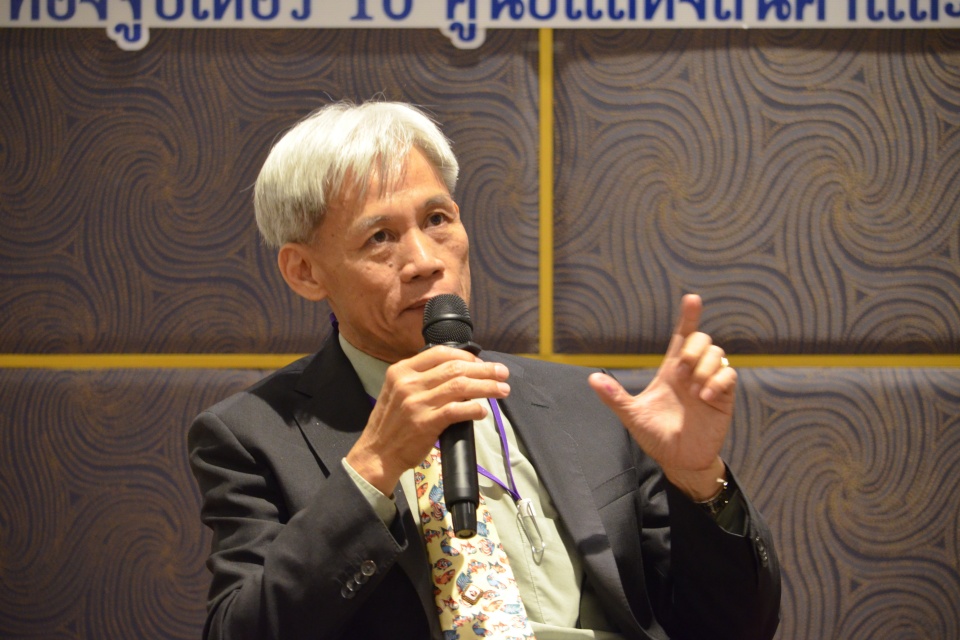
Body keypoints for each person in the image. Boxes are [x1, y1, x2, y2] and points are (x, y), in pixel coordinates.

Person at [188, 100, 781, 640]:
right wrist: (371, 470)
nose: (425, 260)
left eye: (437, 219)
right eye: (381, 237)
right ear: (305, 272)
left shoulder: (586, 403)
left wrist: (699, 482)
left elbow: (734, 629)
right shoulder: (251, 436)